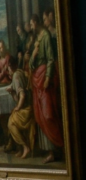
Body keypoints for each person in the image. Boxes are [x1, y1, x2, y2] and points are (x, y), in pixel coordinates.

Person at [29, 14, 63, 163]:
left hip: (44, 79)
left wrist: (48, 77)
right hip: (37, 78)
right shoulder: (36, 40)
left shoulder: (46, 36)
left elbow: (50, 59)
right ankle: (50, 151)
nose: (31, 27)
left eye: (31, 24)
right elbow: (31, 64)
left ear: (36, 23)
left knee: (48, 113)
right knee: (40, 115)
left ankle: (58, 147)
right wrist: (33, 54)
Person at [5, 67, 34, 159]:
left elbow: (22, 95)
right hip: (27, 108)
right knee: (12, 116)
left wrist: (17, 108)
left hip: (26, 110)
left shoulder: (16, 76)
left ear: (12, 67)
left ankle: (25, 147)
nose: (8, 72)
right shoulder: (20, 72)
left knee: (10, 123)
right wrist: (12, 92)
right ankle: (20, 148)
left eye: (8, 69)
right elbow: (18, 99)